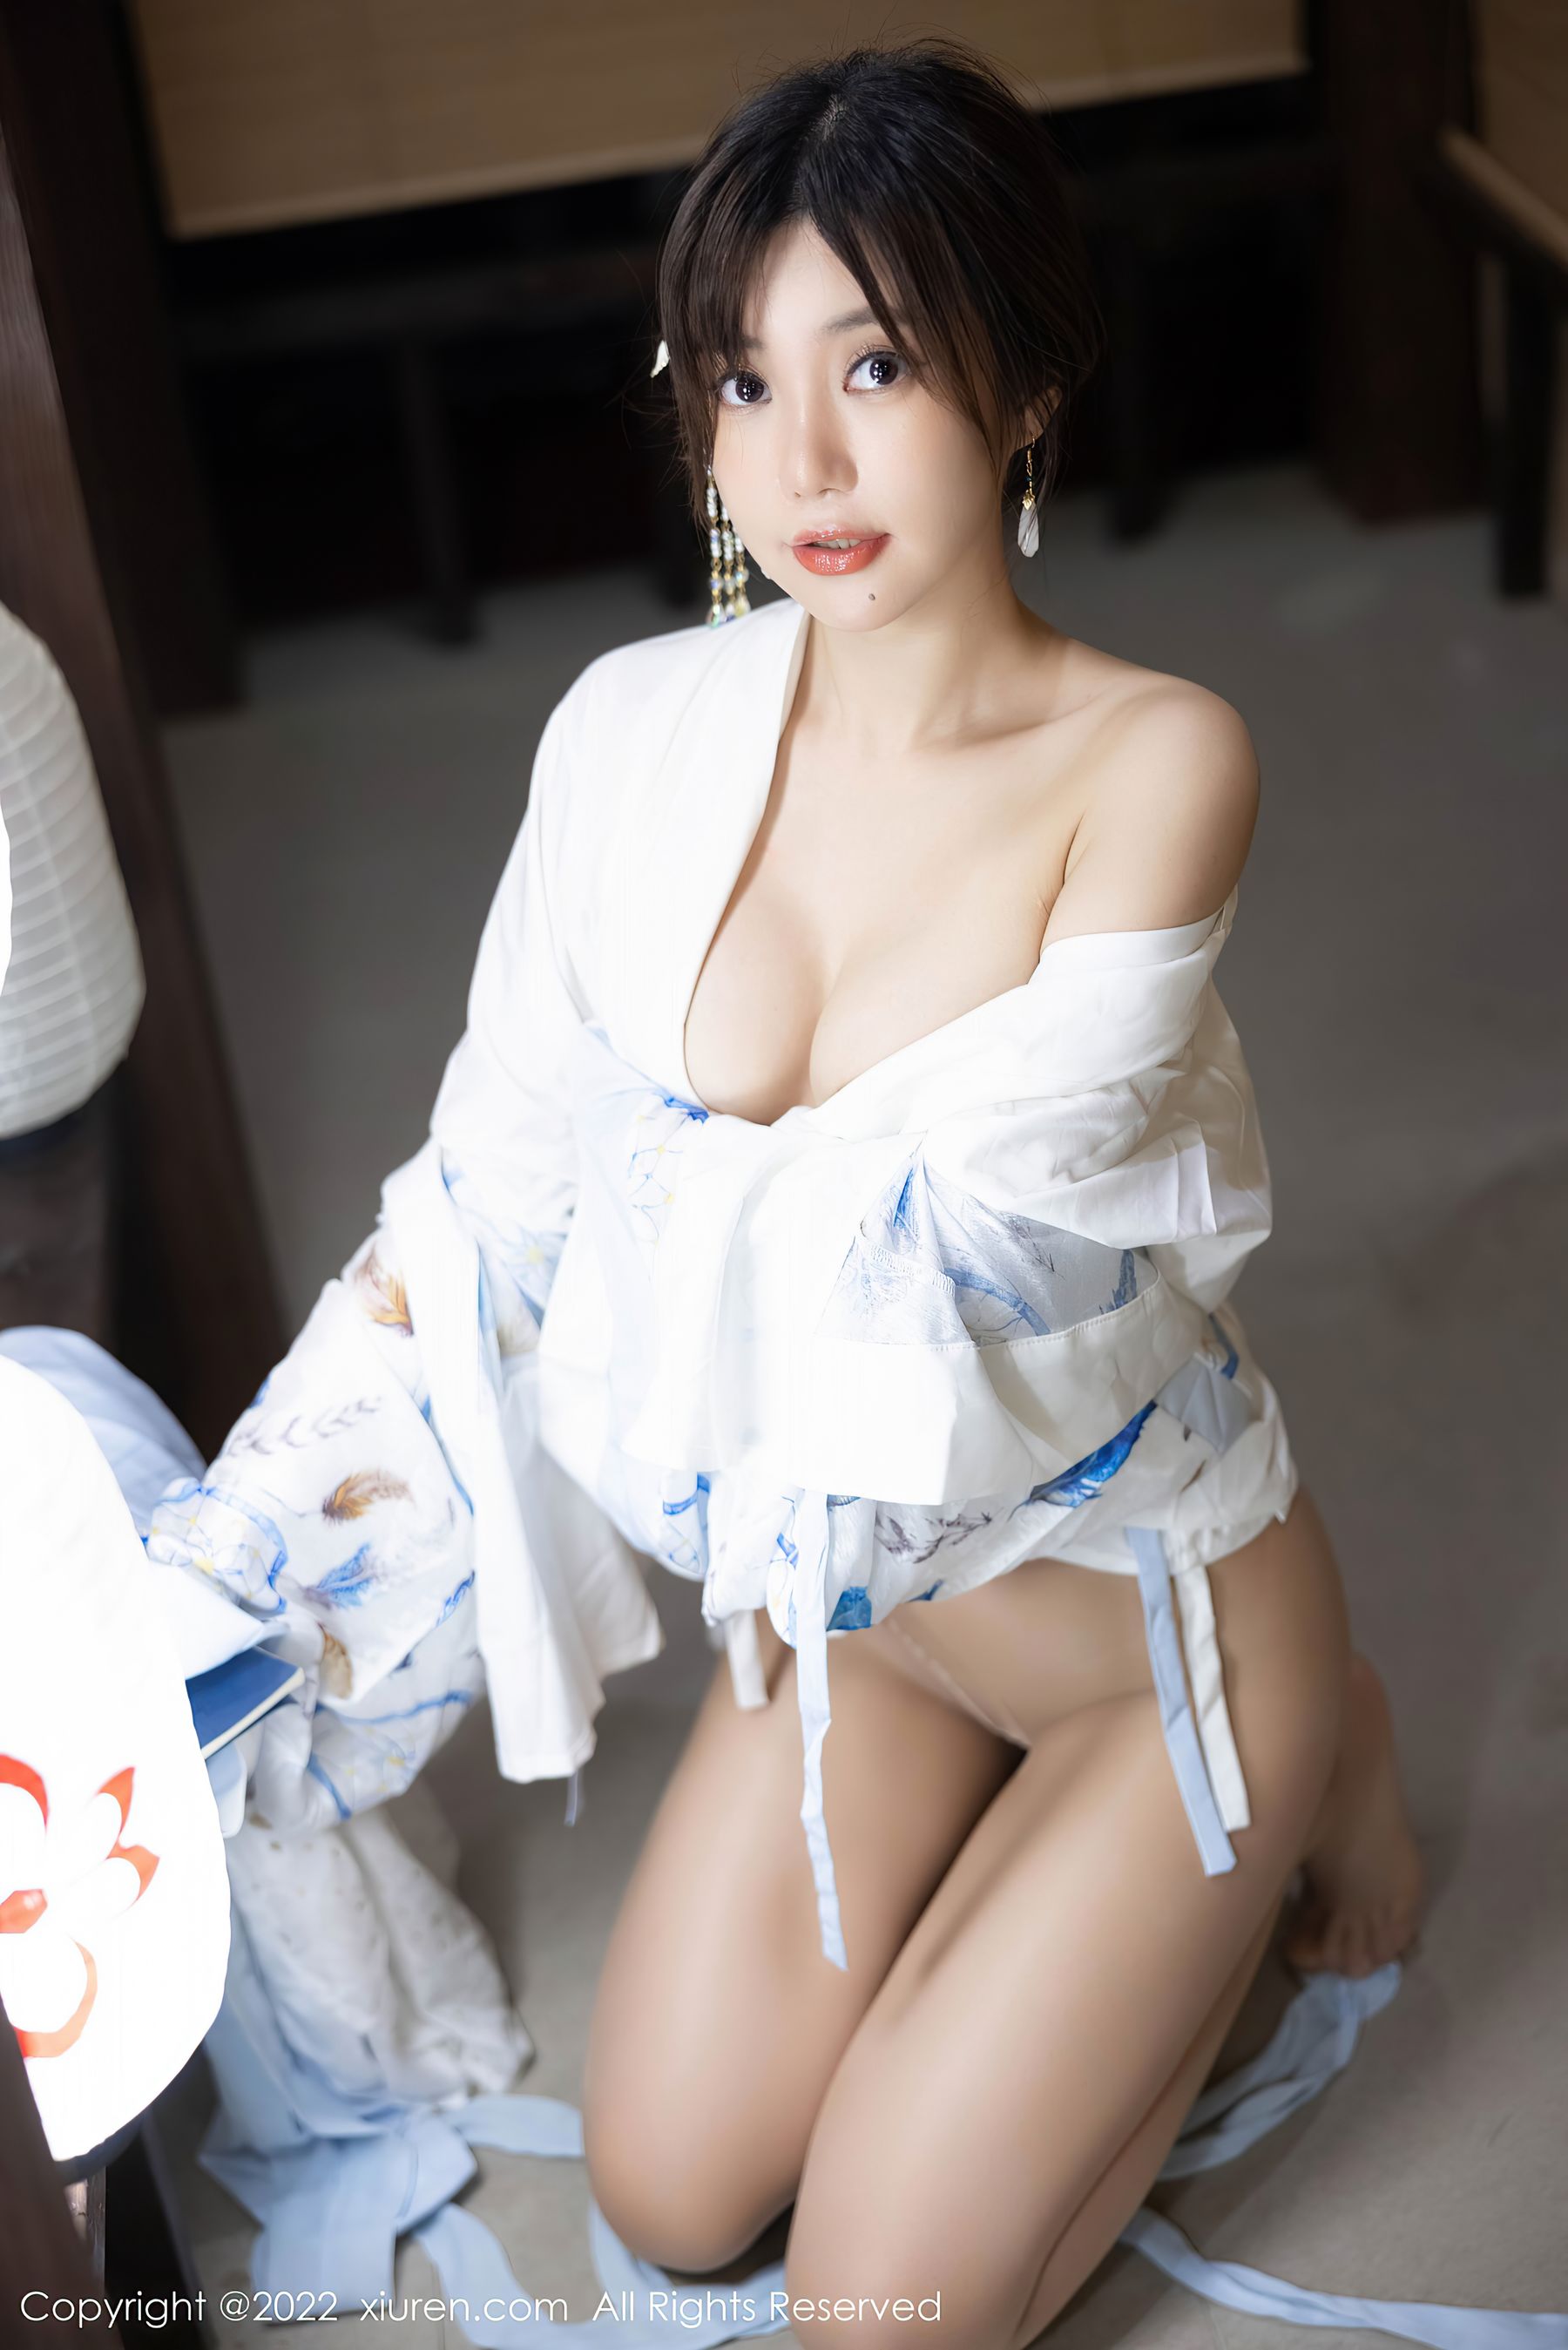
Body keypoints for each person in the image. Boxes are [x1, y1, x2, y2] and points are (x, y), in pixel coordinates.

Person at [571, 38, 1423, 2340]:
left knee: (879, 2313)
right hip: (866, 1603)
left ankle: (1309, 1725)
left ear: (1025, 380)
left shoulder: (1154, 759)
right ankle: (1031, 1895)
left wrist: (635, 1228)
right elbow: (497, 1177)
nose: (805, 463)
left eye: (878, 365)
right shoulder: (646, 735)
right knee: (667, 2187)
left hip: (1134, 1614)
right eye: (745, 380)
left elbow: (970, 1267)